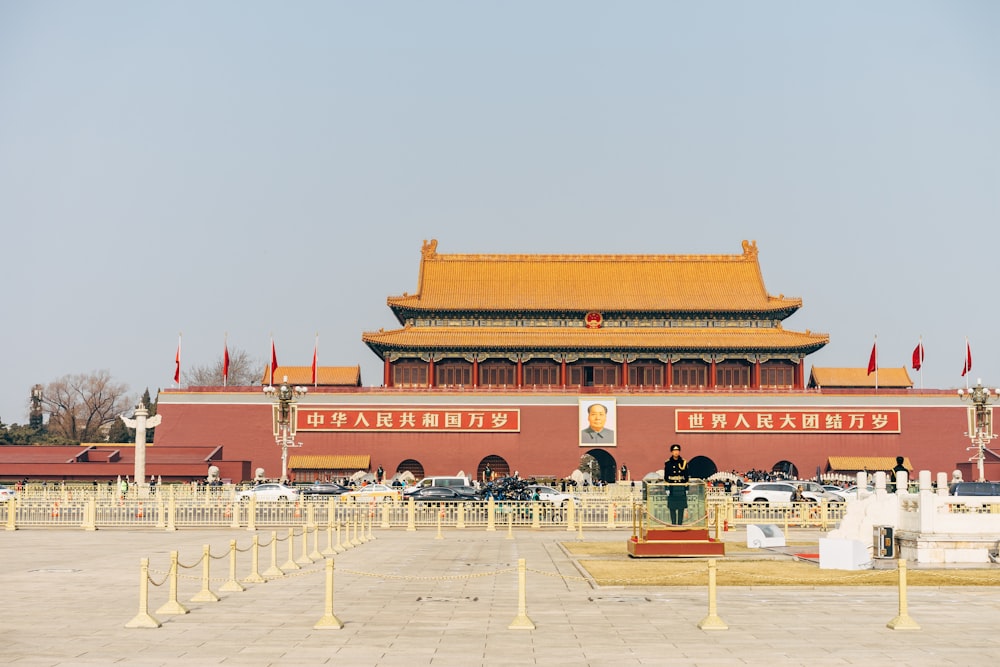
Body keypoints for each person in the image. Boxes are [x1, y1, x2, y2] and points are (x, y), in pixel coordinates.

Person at [663, 443, 689, 525]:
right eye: (674, 450)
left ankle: (680, 524)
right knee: (672, 507)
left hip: (681, 486)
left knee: (681, 508)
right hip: (672, 487)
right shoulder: (668, 463)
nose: (676, 452)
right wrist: (666, 488)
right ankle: (673, 524)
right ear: (671, 452)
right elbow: (666, 476)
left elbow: (686, 476)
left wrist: (687, 488)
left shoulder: (683, 462)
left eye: (677, 450)